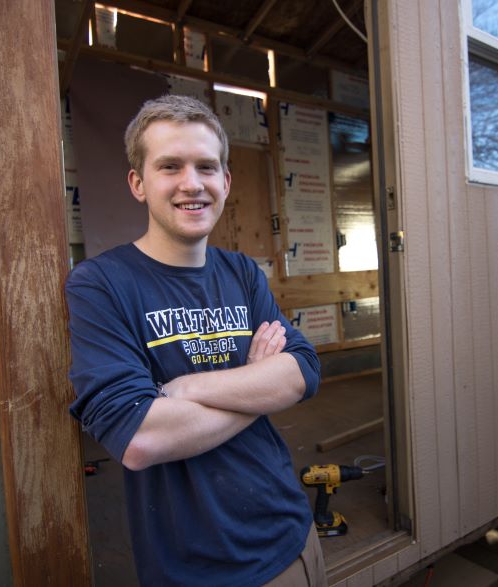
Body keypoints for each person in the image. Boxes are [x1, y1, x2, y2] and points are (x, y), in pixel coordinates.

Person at [65, 94, 326, 586]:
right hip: (198, 566)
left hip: (293, 535)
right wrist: (256, 383)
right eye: (170, 166)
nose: (192, 183)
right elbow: (140, 437)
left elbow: (303, 371)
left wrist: (182, 388)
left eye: (207, 167)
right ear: (138, 183)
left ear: (225, 181)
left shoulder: (243, 272)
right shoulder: (102, 284)